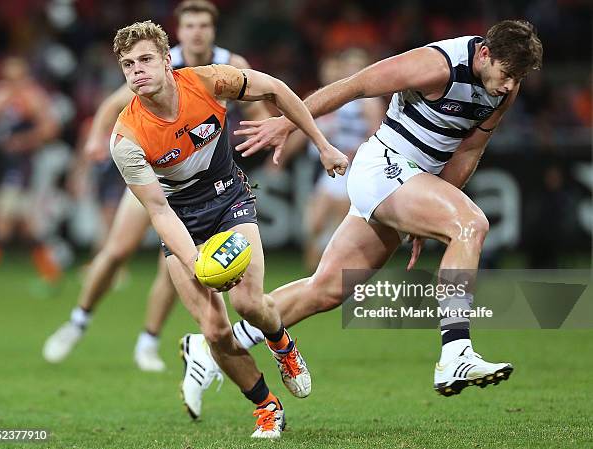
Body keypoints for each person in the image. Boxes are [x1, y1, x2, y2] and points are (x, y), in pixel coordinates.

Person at [232, 20, 543, 396]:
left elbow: (469, 150)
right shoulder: (436, 64)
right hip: (383, 167)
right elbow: (355, 86)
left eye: (518, 77)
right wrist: (289, 122)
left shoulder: (503, 89)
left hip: (410, 182)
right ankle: (455, 352)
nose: (510, 85)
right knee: (470, 223)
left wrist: (429, 214)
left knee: (327, 290)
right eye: (507, 74)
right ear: (484, 54)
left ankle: (218, 345)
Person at [109, 21, 347, 438]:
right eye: (128, 65)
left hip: (228, 200)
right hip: (180, 220)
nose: (137, 71)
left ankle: (282, 345)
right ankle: (267, 407)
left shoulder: (208, 81)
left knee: (250, 303)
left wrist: (321, 144)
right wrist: (196, 261)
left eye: (146, 59)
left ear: (168, 61)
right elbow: (160, 211)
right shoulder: (126, 138)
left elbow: (275, 89)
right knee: (215, 329)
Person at [43, 0, 270, 377]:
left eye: (203, 25)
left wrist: (266, 133)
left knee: (177, 268)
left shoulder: (230, 64)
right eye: (189, 25)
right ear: (177, 35)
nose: (196, 32)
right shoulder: (153, 61)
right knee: (117, 251)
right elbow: (115, 103)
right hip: (159, 174)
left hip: (208, 169)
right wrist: (97, 140)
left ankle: (148, 341)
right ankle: (78, 321)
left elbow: (261, 107)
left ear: (212, 31)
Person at [278, 49, 386, 272]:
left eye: (358, 65)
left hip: (352, 168)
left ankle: (335, 275)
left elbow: (377, 136)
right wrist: (283, 154)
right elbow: (304, 130)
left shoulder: (370, 102)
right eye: (349, 66)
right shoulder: (339, 97)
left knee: (338, 225)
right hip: (326, 167)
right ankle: (313, 278)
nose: (352, 70)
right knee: (315, 224)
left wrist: (357, 151)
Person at [0, 57, 61, 283]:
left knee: (0, 220)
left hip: (22, 165)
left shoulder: (33, 97)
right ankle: (51, 273)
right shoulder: (1, 93)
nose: (11, 82)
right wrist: (2, 100)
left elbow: (50, 129)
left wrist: (24, 140)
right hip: (3, 163)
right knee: (26, 226)